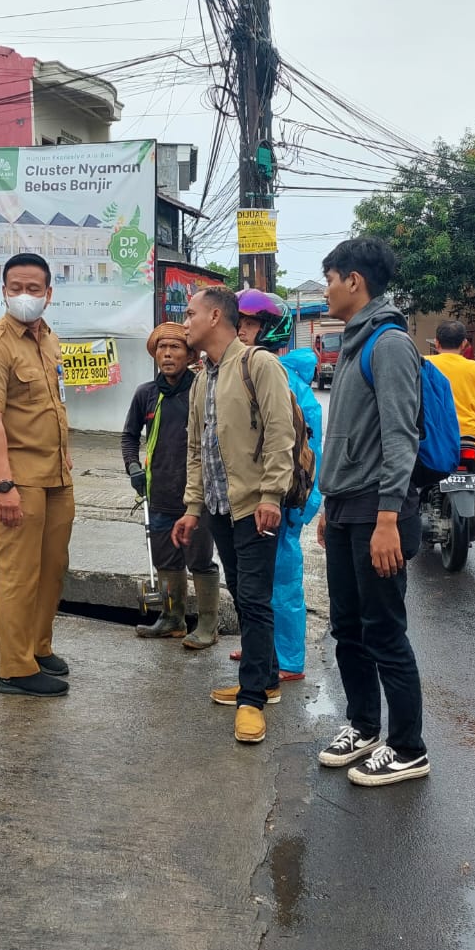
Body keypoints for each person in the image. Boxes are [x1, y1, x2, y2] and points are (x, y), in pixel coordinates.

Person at [311, 238, 430, 788]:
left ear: (354, 281)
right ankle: (364, 725)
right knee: (349, 628)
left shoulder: (388, 343)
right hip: (345, 508)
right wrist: (328, 505)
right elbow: (348, 434)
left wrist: (388, 518)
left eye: (330, 278)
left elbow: (401, 436)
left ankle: (408, 747)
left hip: (378, 511)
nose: (326, 288)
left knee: (385, 631)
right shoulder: (356, 342)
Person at [172, 286, 295, 745]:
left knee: (256, 599)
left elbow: (281, 433)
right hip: (221, 509)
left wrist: (272, 496)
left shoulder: (258, 364)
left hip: (254, 507)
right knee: (245, 597)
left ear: (216, 316)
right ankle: (263, 680)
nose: (185, 322)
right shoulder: (204, 375)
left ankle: (251, 701)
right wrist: (192, 507)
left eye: (191, 313)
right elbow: (196, 449)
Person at [0, 253, 75, 698]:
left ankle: (37, 647)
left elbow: (56, 402)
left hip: (55, 475)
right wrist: (5, 484)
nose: (24, 296)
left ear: (49, 293)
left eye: (34, 288)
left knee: (52, 569)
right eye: (15, 287)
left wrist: (66, 458)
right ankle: (14, 668)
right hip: (20, 479)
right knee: (18, 573)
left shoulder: (48, 339)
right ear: (4, 290)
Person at [234, 289, 322, 682]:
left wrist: (301, 505)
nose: (241, 331)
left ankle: (288, 658)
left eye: (249, 324)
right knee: (252, 580)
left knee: (282, 580)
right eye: (238, 323)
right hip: (248, 497)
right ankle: (260, 645)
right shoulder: (242, 369)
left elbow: (310, 448)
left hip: (281, 500)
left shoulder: (285, 378)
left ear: (270, 330)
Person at [120, 321, 220, 648]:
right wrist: (133, 467)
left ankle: (208, 624)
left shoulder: (202, 390)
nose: (167, 354)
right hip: (157, 493)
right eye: (162, 348)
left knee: (200, 560)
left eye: (175, 347)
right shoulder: (146, 394)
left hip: (197, 497)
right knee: (165, 561)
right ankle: (172, 618)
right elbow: (129, 436)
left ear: (189, 354)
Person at [425, 321, 475, 450]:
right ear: (464, 343)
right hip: (468, 436)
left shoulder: (424, 364)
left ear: (437, 342)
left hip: (433, 436)